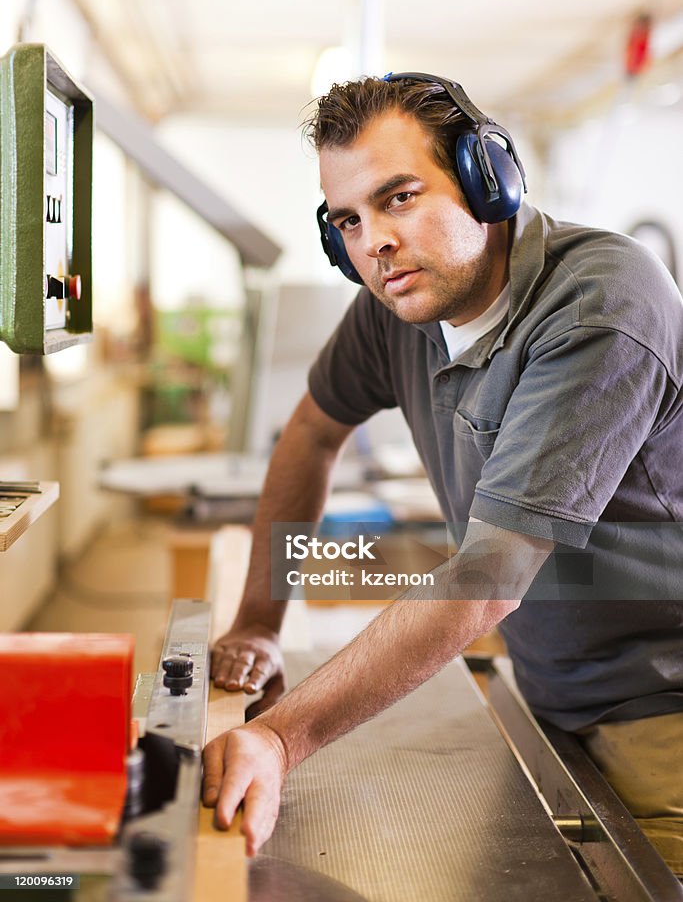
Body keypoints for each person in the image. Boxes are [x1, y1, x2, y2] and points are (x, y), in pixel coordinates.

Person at [202, 73, 683, 871]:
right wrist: (258, 618)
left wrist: (280, 738)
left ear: (486, 178)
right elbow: (310, 435)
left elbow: (491, 575)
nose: (373, 243)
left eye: (397, 197)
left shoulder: (601, 303)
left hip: (659, 713)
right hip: (553, 696)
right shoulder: (394, 310)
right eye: (347, 221)